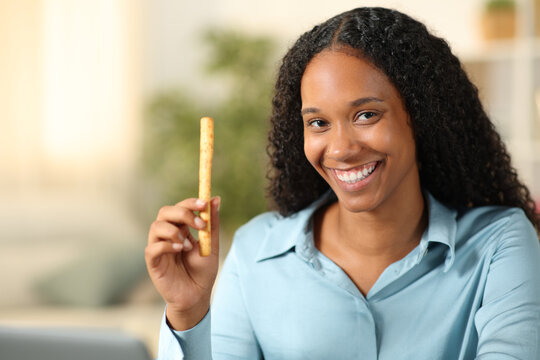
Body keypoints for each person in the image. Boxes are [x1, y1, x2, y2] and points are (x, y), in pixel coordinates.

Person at [145, 7, 540, 360]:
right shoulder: (254, 254)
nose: (341, 148)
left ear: (419, 117)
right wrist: (188, 312)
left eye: (366, 115)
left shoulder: (498, 244)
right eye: (318, 123)